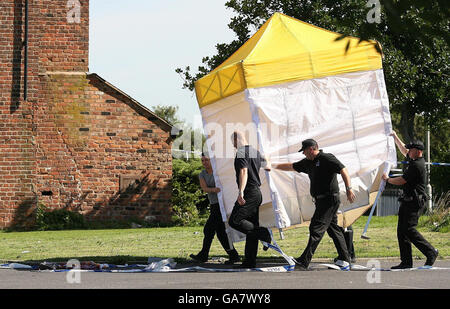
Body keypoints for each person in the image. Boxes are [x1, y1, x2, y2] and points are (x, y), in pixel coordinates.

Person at [271, 138, 356, 270]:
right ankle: (345, 259)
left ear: (311, 149)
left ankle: (304, 261)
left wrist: (349, 188)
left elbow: (343, 170)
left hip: (329, 200)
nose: (303, 154)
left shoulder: (326, 158)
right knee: (333, 230)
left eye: (304, 151)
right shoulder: (308, 162)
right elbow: (291, 166)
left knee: (316, 228)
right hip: (321, 201)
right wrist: (272, 166)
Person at [382, 132, 438, 269]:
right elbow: (403, 150)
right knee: (402, 231)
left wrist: (387, 179)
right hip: (408, 200)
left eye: (411, 150)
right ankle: (406, 262)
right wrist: (395, 137)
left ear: (418, 152)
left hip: (414, 201)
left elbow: (401, 180)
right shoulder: (413, 159)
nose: (409, 152)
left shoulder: (417, 165)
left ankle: (430, 252)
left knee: (409, 229)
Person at [228, 131, 272, 268]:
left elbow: (243, 171)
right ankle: (250, 261)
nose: (234, 146)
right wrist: (266, 157)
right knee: (251, 229)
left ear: (236, 140)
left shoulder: (241, 152)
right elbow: (268, 167)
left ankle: (264, 233)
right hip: (257, 193)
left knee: (235, 221)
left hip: (249, 193)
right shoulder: (255, 152)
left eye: (233, 143)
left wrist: (240, 191)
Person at [190, 153, 240, 265]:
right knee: (221, 233)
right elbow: (204, 188)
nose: (204, 163)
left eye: (206, 160)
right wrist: (214, 190)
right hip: (214, 204)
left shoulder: (218, 172)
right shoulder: (202, 174)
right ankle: (233, 255)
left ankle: (204, 254)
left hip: (222, 204)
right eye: (202, 160)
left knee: (208, 229)